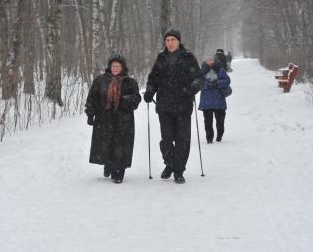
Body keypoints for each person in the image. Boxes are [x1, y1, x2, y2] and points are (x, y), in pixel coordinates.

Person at [143, 28, 204, 184]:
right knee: (167, 139)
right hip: (164, 106)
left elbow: (199, 77)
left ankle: (178, 171)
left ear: (179, 41)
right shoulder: (161, 58)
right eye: (167, 40)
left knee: (183, 140)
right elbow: (153, 79)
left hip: (183, 105)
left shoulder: (188, 57)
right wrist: (150, 90)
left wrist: (194, 86)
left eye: (173, 40)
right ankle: (169, 164)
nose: (170, 43)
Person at [85, 53, 141, 184]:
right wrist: (90, 113)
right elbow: (92, 98)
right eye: (113, 65)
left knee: (121, 145)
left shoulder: (130, 82)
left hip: (124, 119)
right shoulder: (100, 80)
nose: (115, 68)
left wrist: (123, 100)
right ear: (110, 67)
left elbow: (136, 99)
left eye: (118, 66)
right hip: (104, 118)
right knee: (106, 143)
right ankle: (108, 164)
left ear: (123, 67)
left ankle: (119, 171)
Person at [198, 55, 231, 143]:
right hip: (206, 100)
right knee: (208, 122)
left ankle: (220, 135)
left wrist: (217, 83)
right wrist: (207, 85)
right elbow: (198, 82)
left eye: (211, 59)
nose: (209, 61)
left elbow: (227, 81)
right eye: (207, 60)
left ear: (214, 60)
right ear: (205, 61)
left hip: (219, 99)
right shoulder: (202, 71)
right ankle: (209, 138)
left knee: (220, 121)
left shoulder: (221, 70)